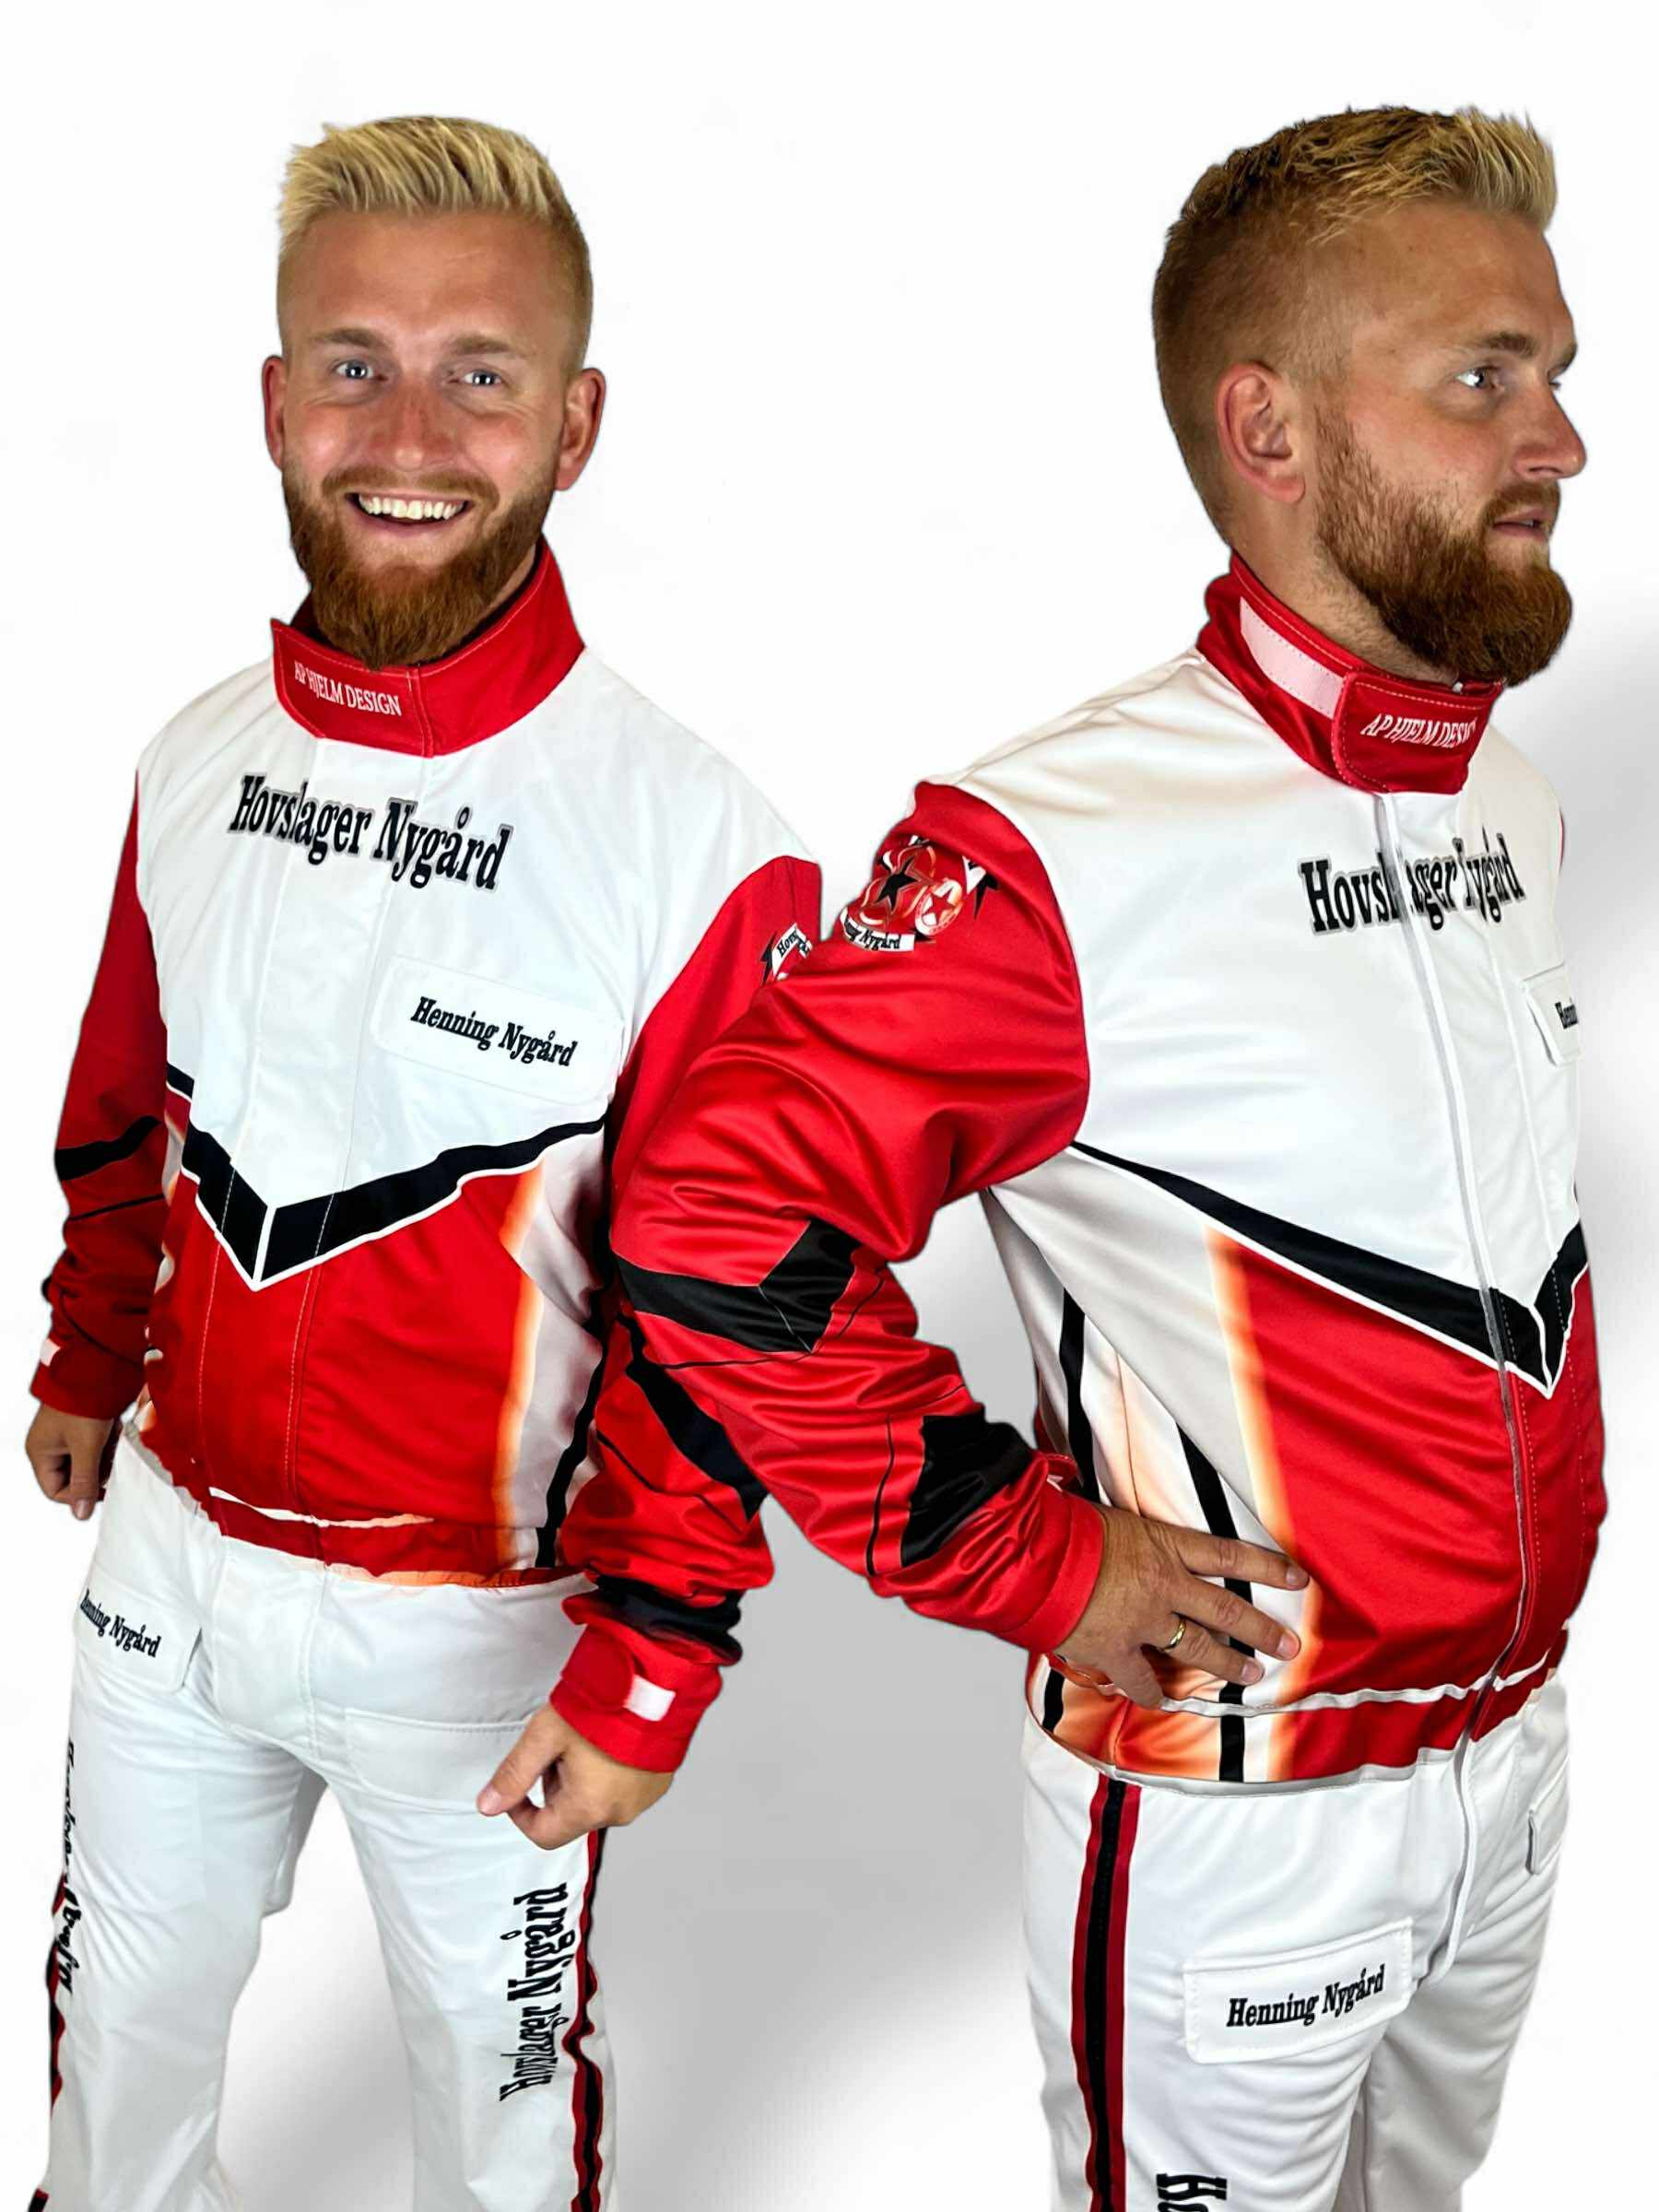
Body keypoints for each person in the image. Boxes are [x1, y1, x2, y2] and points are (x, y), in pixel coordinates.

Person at [498, 106, 1602, 2210]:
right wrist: (1033, 1559)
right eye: (1485, 377)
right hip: (1233, 1816)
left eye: (1554, 375)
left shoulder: (1513, 804)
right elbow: (715, 1210)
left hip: (1518, 1769)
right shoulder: (1057, 848)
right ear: (1269, 429)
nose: (1557, 438)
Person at [23, 113, 818, 2212]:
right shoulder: (194, 756)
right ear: (273, 401)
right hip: (170, 1571)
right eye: (352, 364)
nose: (405, 433)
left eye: (480, 374)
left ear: (576, 424)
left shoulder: (705, 846)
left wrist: (656, 1653)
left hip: (487, 1638)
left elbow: (736, 1319)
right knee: (110, 2092)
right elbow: (125, 1113)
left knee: (503, 2133)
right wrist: (89, 1361)